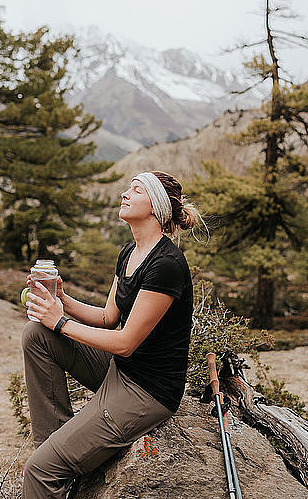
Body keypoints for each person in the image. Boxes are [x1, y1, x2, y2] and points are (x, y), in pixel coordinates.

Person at [21, 170, 200, 498]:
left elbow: (126, 342)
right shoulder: (129, 254)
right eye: (127, 188)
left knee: (38, 471)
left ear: (156, 208)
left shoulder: (166, 264)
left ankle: (51, 465)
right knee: (36, 334)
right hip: (119, 369)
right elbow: (107, 317)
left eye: (136, 190)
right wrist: (63, 300)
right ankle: (57, 446)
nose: (125, 194)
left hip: (147, 391)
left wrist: (60, 322)